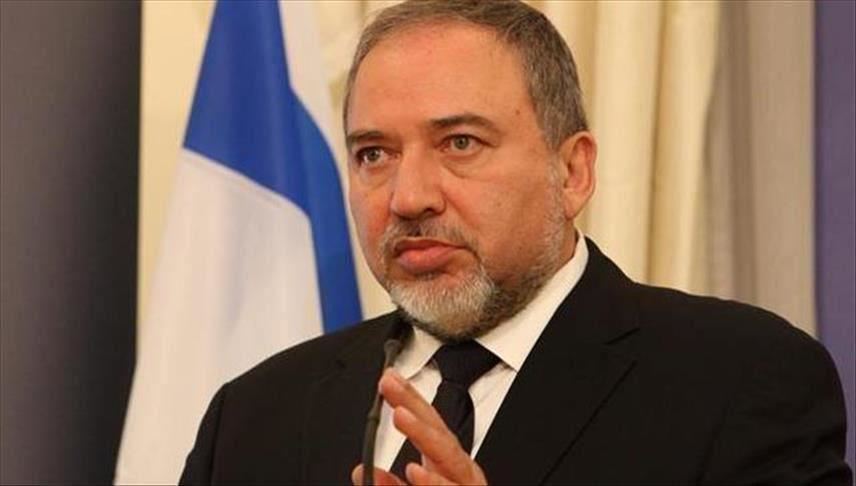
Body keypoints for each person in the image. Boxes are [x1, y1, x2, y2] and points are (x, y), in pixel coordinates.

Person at [179, 1, 851, 484]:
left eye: (459, 143)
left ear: (572, 171)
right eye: (374, 154)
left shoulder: (737, 383)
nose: (408, 197)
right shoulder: (254, 417)